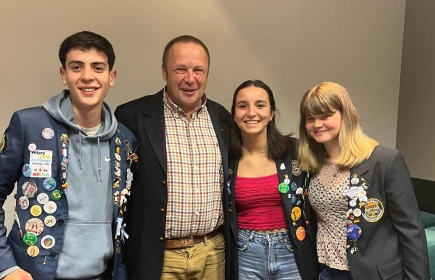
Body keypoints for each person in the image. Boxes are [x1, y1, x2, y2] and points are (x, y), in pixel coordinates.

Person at [0, 31, 138, 280]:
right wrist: (6, 266)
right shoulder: (29, 125)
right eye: (77, 67)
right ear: (64, 74)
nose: (88, 77)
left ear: (111, 77)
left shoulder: (124, 140)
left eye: (98, 67)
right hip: (35, 274)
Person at [114, 35, 235, 279]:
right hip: (160, 257)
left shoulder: (223, 119)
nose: (190, 79)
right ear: (164, 71)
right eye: (180, 69)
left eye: (198, 70)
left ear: (207, 73)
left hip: (213, 253)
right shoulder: (132, 116)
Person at [297, 81, 430, 280]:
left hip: (374, 273)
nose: (317, 124)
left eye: (325, 116)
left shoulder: (384, 161)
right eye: (310, 118)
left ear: (345, 115)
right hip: (326, 272)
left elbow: (411, 229)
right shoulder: (310, 165)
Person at [227, 80, 319, 280]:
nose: (252, 113)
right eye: (243, 106)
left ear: (271, 113)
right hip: (246, 252)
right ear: (234, 114)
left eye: (260, 105)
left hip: (292, 248)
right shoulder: (225, 159)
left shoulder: (296, 152)